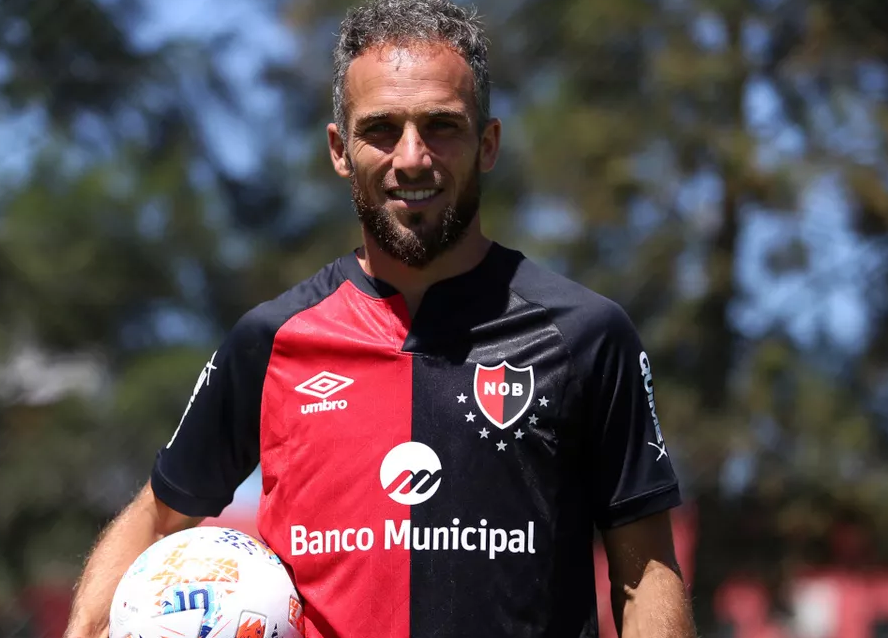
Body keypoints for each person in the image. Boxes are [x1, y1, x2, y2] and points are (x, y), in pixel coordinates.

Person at [63, 0, 697, 636]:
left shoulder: (585, 336)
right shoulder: (272, 341)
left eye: (442, 126)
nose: (413, 157)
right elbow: (157, 519)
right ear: (340, 149)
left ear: (488, 143)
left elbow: (645, 574)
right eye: (382, 129)